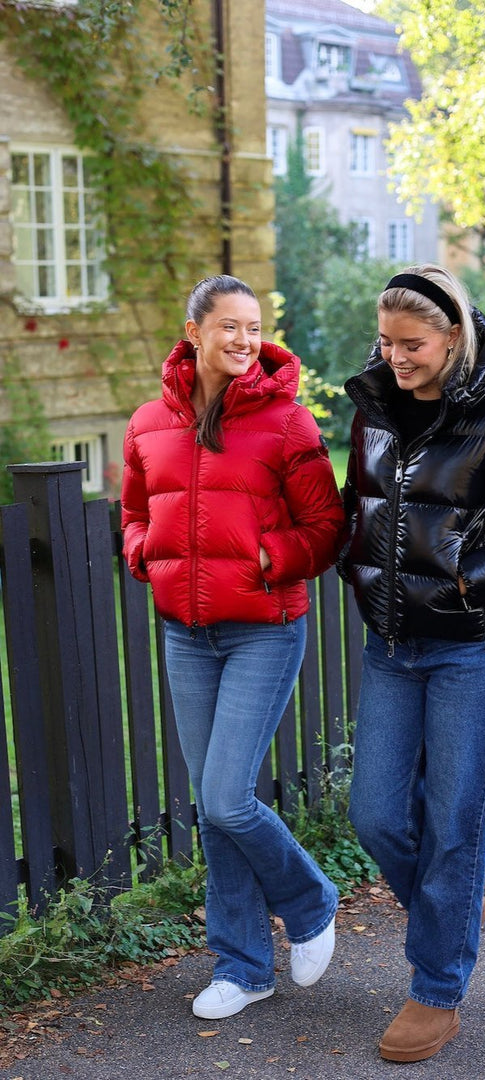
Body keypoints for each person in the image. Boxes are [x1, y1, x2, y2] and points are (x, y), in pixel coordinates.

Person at [337, 264, 485, 1063]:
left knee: (453, 828)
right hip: (393, 648)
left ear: (453, 339)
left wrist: (468, 579)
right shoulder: (374, 412)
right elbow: (362, 507)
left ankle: (435, 989)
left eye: (413, 344)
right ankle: (450, 924)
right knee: (374, 813)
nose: (396, 357)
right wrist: (358, 563)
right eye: (386, 341)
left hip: (473, 651)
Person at [121, 274, 345, 1020]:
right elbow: (131, 509)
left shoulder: (289, 424)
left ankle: (311, 904)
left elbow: (325, 529)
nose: (245, 339)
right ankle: (243, 966)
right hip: (186, 633)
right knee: (214, 808)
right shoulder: (149, 422)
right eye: (229, 326)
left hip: (263, 629)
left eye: (254, 326)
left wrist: (265, 561)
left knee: (225, 796)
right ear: (194, 332)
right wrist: (144, 553)